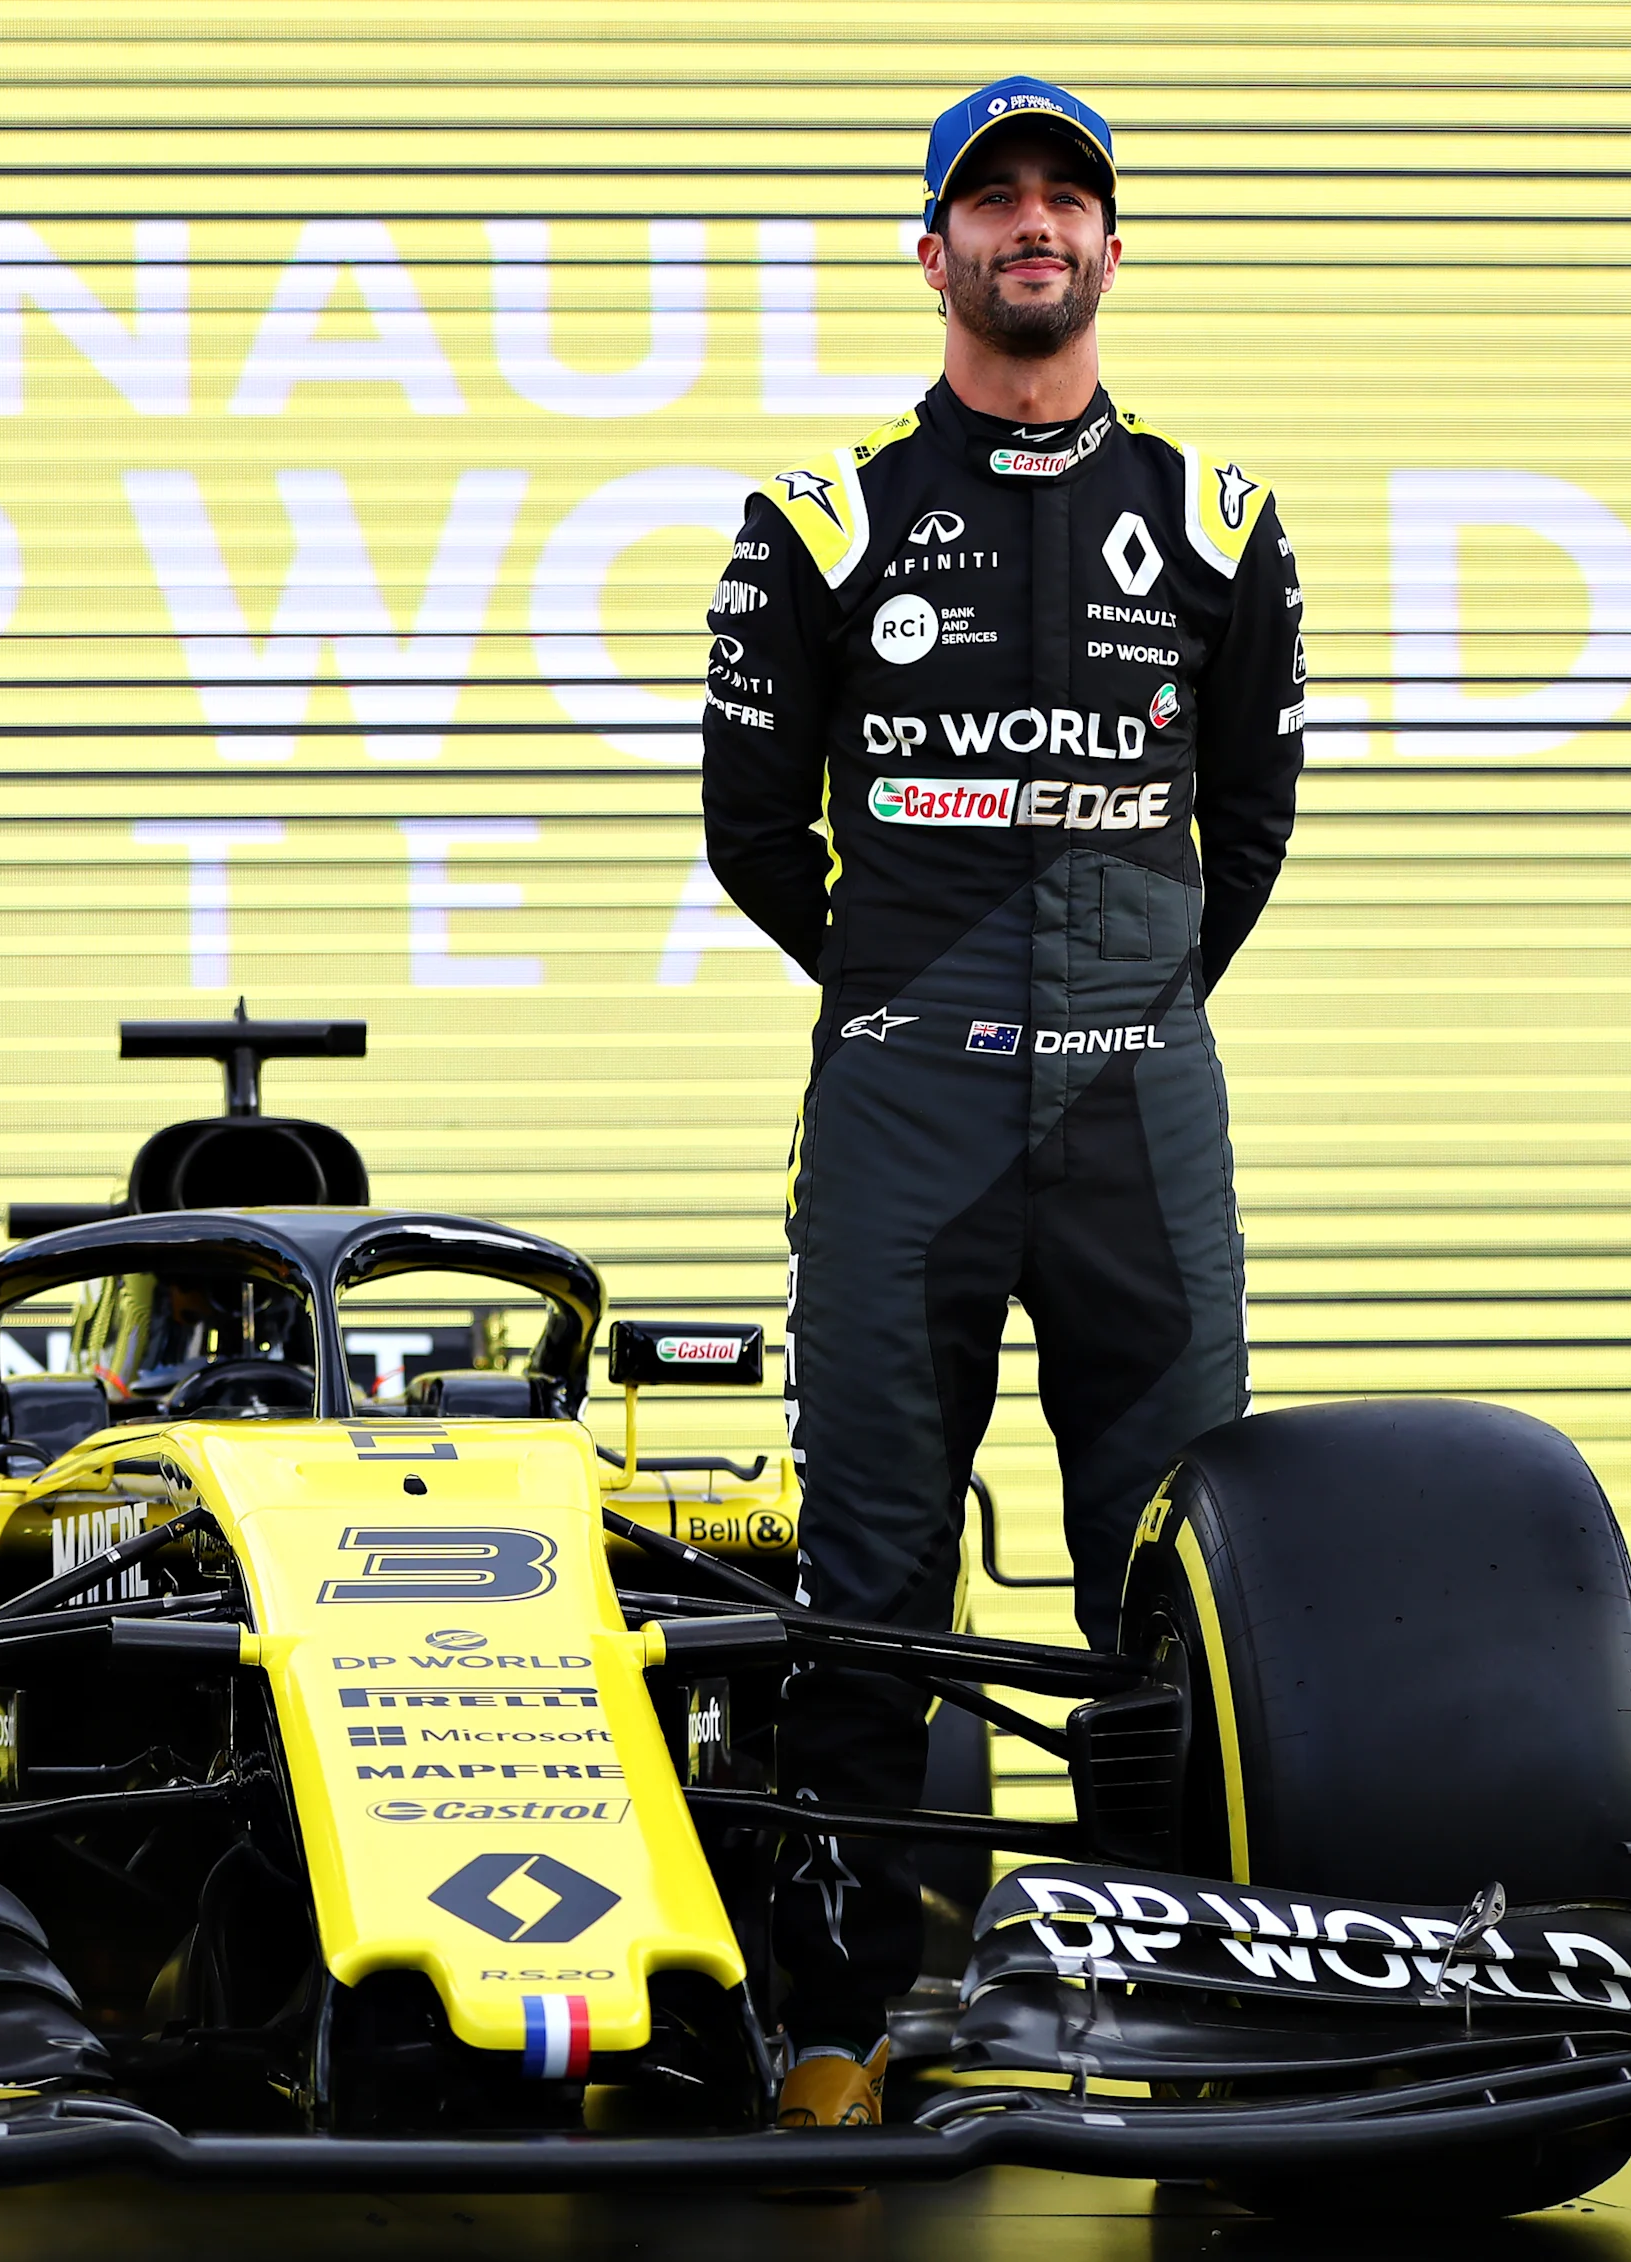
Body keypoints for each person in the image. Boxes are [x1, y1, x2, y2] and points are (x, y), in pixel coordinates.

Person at [699, 76, 1305, 2131]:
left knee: (1178, 1572)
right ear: (933, 249)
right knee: (869, 1567)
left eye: (1065, 196)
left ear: (1112, 245)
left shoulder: (1218, 517)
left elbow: (1248, 829)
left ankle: (1179, 1999)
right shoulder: (822, 516)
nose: (1030, 224)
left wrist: (1117, 1002)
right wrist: (920, 994)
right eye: (992, 198)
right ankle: (839, 2017)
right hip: (904, 1120)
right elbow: (752, 836)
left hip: (1139, 1116)